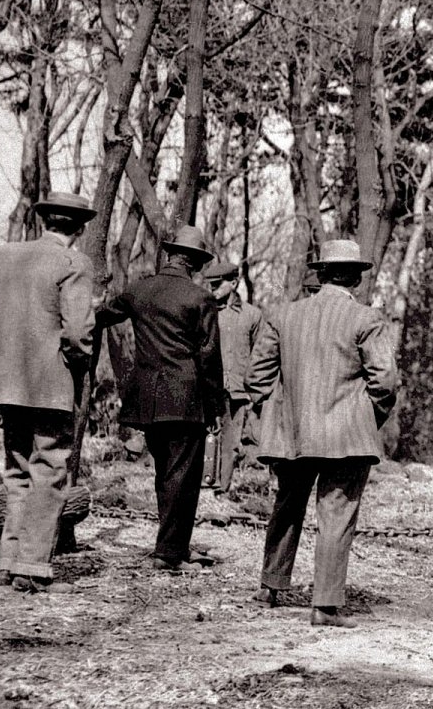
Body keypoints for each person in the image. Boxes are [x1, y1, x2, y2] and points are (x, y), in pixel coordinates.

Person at [247, 238, 399, 627]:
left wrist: (279, 417)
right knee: (336, 515)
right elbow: (385, 382)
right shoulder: (366, 319)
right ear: (355, 278)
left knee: (287, 505)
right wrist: (368, 417)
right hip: (347, 436)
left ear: (322, 274)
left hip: (292, 433)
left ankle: (269, 588)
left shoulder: (282, 315)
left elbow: (256, 378)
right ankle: (325, 606)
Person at [96, 224, 225, 571]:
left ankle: (174, 547)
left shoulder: (139, 290)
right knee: (183, 476)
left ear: (168, 255)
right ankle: (169, 553)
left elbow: (102, 315)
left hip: (147, 400)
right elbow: (209, 357)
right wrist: (216, 406)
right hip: (185, 398)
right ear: (197, 264)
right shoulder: (200, 298)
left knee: (165, 474)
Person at [0, 192, 97, 593]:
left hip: (6, 384)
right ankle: (32, 566)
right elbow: (77, 333)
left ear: (44, 221)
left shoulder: (3, 257)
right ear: (80, 228)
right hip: (50, 384)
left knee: (17, 470)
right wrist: (79, 363)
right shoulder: (74, 263)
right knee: (51, 470)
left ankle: (9, 562)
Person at [203, 260, 260, 490]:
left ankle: (222, 489)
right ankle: (204, 484)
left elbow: (260, 353)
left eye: (218, 285)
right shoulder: (204, 312)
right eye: (211, 285)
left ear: (234, 283)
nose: (213, 290)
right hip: (208, 388)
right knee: (206, 436)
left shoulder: (252, 315)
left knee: (231, 441)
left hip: (237, 389)